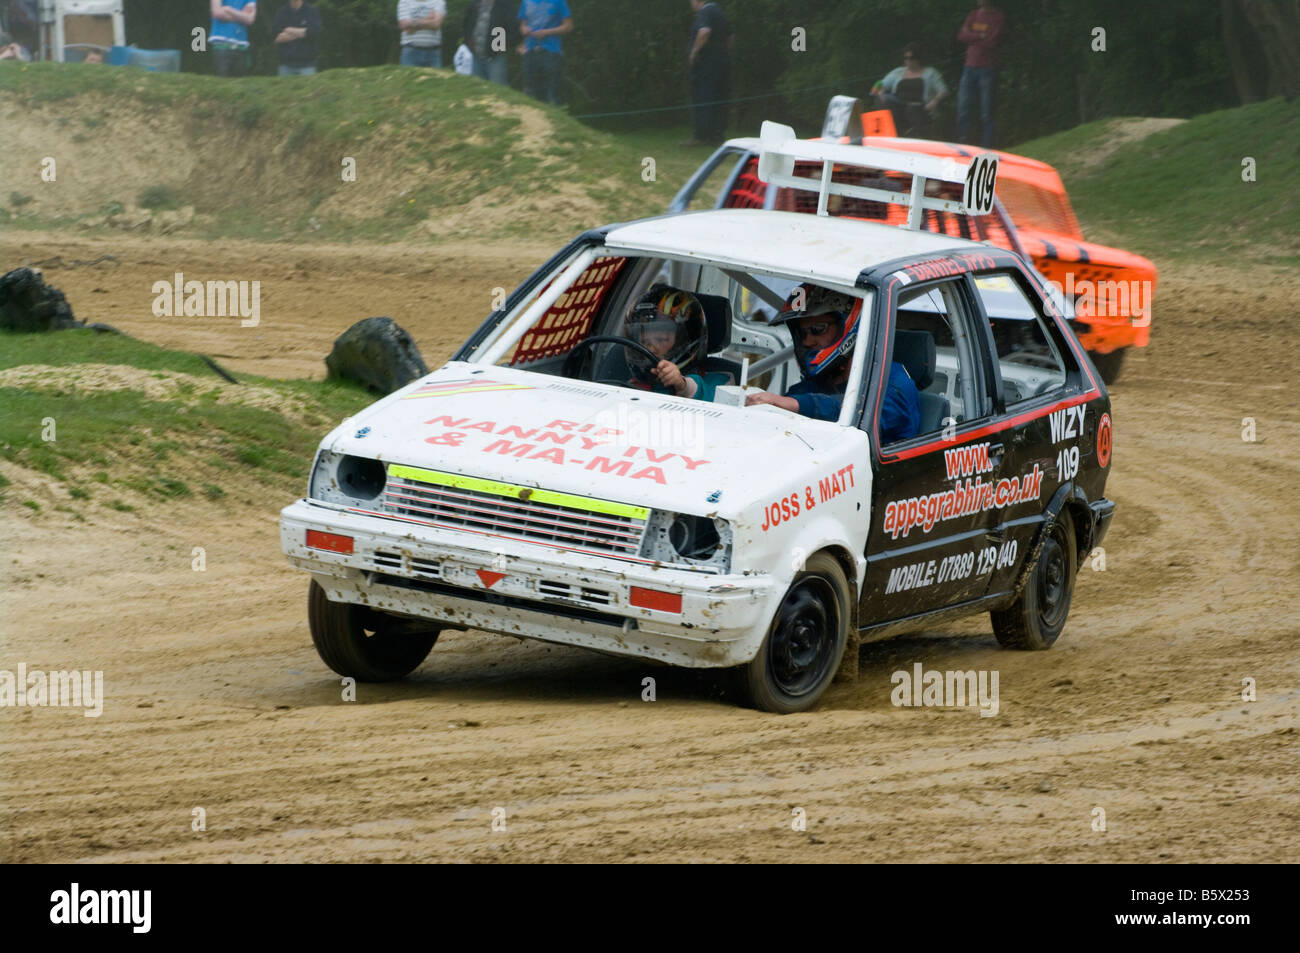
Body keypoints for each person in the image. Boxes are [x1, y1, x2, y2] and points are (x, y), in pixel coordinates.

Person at [747, 284, 920, 441]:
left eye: (818, 329)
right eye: (802, 333)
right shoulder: (818, 382)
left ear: (848, 324)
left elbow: (859, 413)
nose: (807, 342)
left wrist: (795, 405)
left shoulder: (895, 383)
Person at [623, 286, 728, 401]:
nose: (650, 348)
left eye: (660, 339)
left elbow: (721, 405)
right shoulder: (631, 385)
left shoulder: (721, 383)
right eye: (644, 341)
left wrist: (683, 385)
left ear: (683, 342)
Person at [871, 43, 948, 138]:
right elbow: (880, 84)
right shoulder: (899, 72)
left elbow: (943, 90)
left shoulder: (931, 73)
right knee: (884, 99)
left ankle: (911, 133)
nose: (908, 61)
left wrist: (935, 101)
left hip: (921, 106)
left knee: (911, 109)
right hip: (898, 104)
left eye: (911, 58)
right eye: (906, 58)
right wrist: (880, 92)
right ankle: (890, 133)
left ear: (918, 58)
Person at [955, 0, 1005, 148]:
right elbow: (961, 36)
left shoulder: (997, 17)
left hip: (987, 68)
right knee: (963, 109)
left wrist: (973, 36)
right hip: (969, 66)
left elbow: (992, 41)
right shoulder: (973, 14)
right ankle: (963, 145)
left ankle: (987, 147)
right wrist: (980, 36)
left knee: (986, 112)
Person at [683, 0, 731, 146]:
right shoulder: (719, 12)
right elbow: (730, 36)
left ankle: (700, 137)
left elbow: (704, 31)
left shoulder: (705, 12)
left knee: (702, 98)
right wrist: (723, 53)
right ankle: (716, 136)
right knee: (718, 98)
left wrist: (694, 52)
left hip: (705, 65)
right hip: (721, 65)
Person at [517, 0, 571, 106]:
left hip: (551, 52)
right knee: (530, 93)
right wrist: (524, 29)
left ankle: (554, 120)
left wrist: (547, 32)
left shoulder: (559, 2)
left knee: (553, 95)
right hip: (530, 51)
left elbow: (568, 26)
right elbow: (522, 25)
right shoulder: (526, 2)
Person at [463, 0, 517, 86]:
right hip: (476, 56)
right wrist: (468, 41)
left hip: (496, 58)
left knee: (498, 91)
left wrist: (501, 46)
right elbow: (466, 24)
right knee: (477, 90)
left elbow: (513, 29)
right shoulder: (475, 3)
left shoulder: (504, 4)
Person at [273, 0, 322, 76]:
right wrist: (304, 32)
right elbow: (276, 38)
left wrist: (289, 30)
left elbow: (314, 32)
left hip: (307, 65)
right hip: (285, 65)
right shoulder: (281, 12)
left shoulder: (311, 10)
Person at [209, 0, 257, 77]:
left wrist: (228, 9)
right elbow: (217, 13)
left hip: (241, 46)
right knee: (221, 82)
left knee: (240, 84)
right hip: (221, 44)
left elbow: (250, 19)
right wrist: (242, 17)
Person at [397, 0, 445, 68]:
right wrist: (429, 18)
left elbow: (436, 24)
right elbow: (404, 24)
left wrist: (412, 25)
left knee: (435, 79)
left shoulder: (438, 1)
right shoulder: (405, 1)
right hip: (410, 52)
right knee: (408, 78)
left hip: (433, 53)